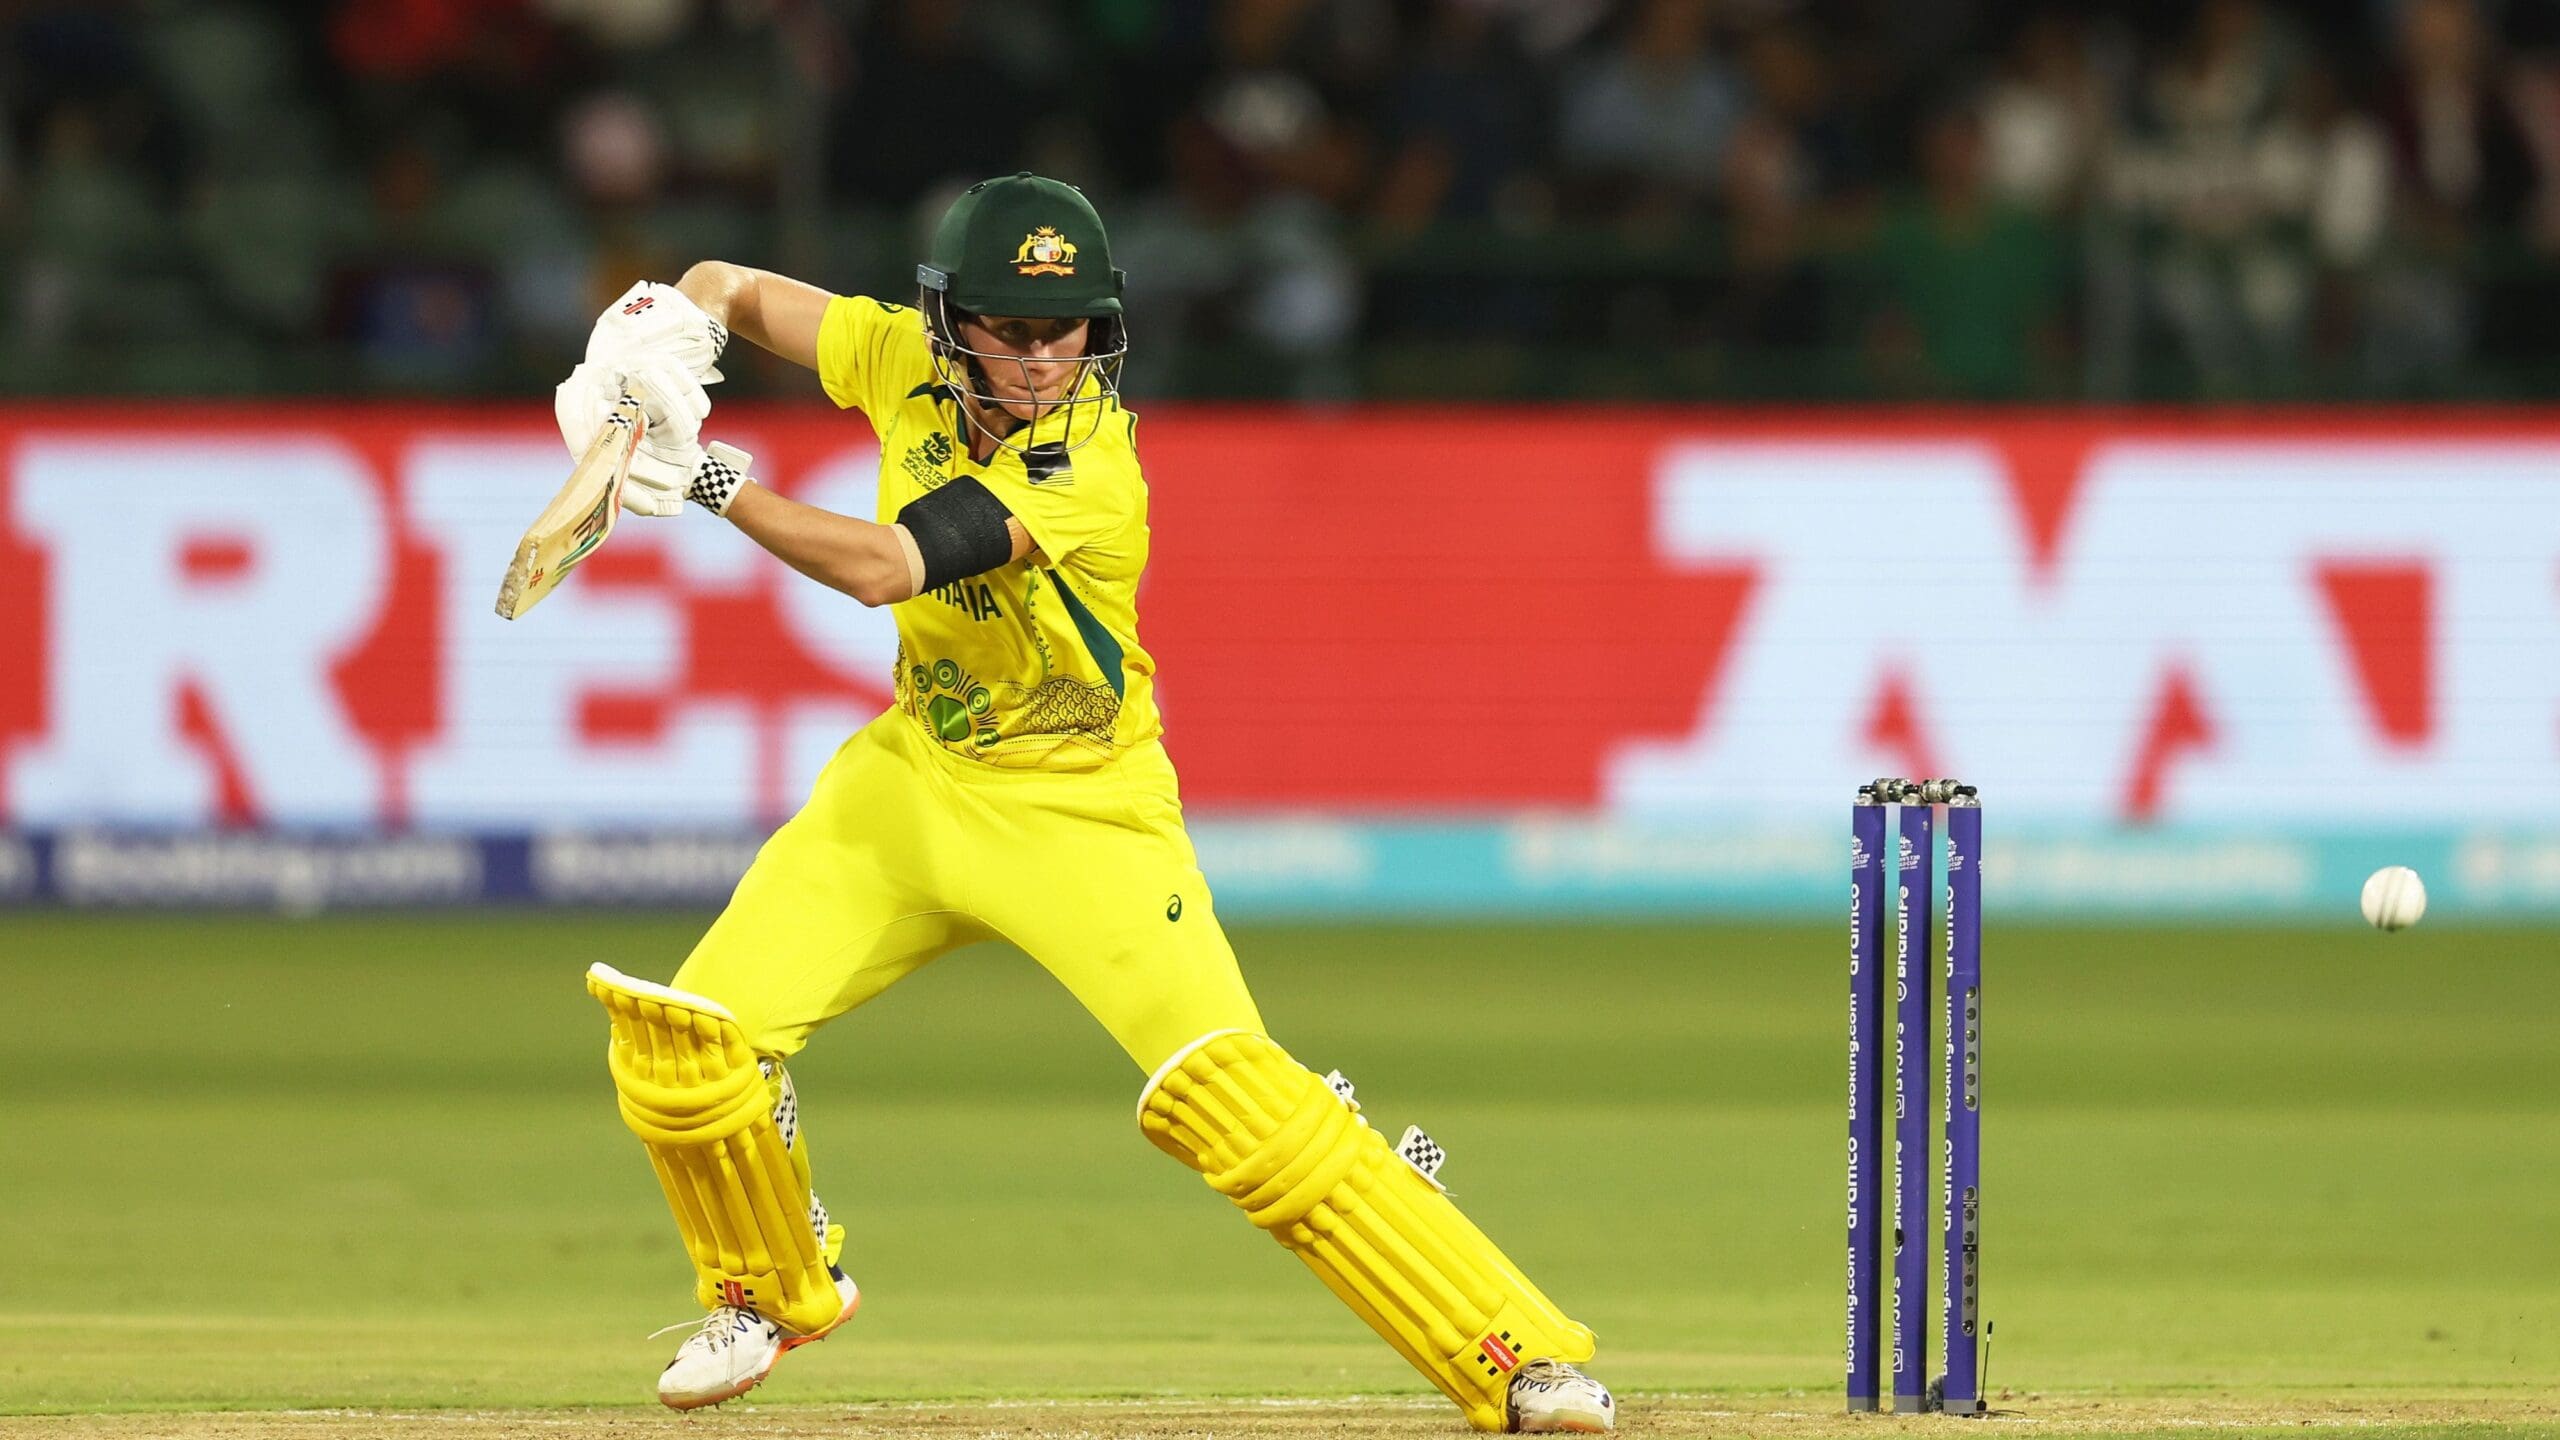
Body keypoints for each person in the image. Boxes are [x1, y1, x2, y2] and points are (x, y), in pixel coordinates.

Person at [551, 172, 1616, 1434]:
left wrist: (713, 481)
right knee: (688, 1050)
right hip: (916, 777)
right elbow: (730, 287)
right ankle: (769, 1290)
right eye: (1010, 328)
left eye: (1066, 330)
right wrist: (661, 326)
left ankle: (1522, 1359)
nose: (1044, 356)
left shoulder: (1094, 469)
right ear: (948, 322)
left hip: (1084, 812)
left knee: (1242, 1112)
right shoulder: (894, 352)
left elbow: (886, 567)